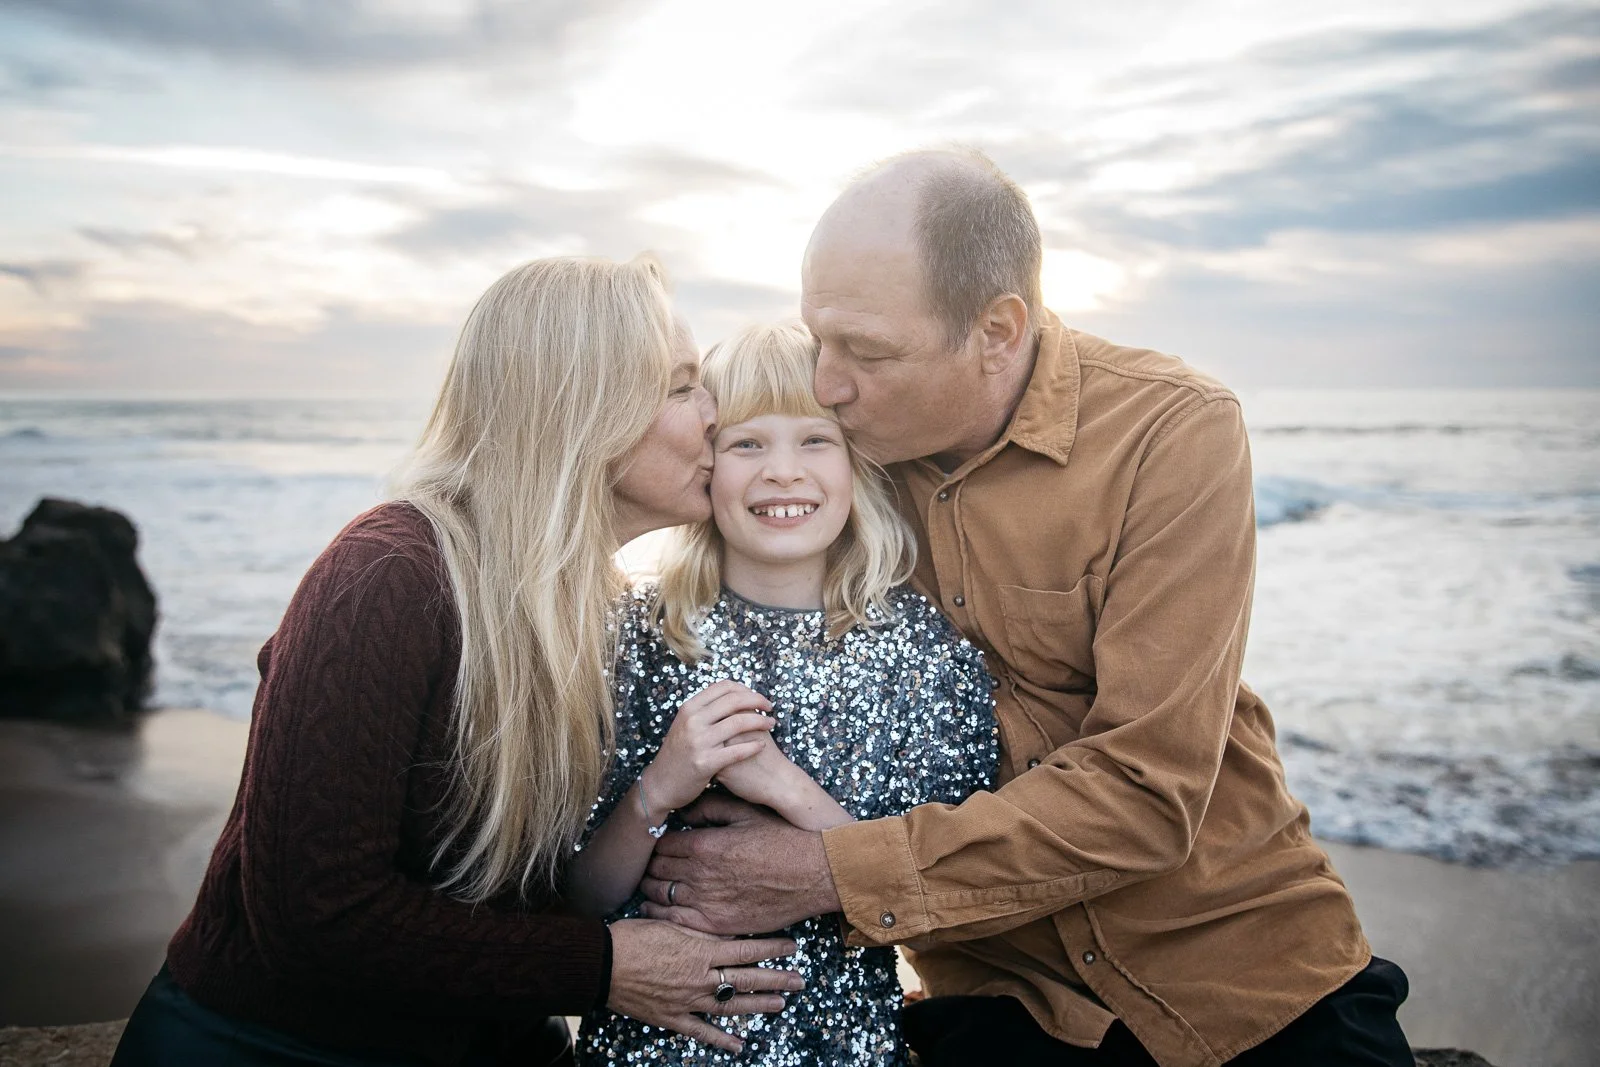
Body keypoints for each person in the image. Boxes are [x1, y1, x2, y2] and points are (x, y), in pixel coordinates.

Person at [637, 152, 1415, 1066]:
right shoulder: (831, 463)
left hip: (1243, 962)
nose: (831, 384)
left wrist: (827, 875)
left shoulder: (1170, 430)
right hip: (1004, 995)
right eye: (820, 340)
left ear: (998, 331)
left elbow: (1145, 790)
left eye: (869, 353)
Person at [110, 256, 802, 1067]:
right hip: (271, 1046)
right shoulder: (387, 578)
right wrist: (605, 968)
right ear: (582, 409)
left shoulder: (599, 608)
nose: (715, 415)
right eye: (684, 386)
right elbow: (315, 914)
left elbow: (540, 884)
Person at [563, 322, 998, 1064]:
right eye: (747, 444)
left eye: (815, 440)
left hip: (844, 1048)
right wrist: (658, 788)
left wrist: (787, 789)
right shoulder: (634, 636)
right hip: (651, 1048)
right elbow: (581, 901)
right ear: (706, 464)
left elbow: (943, 917)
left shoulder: (927, 654)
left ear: (859, 465)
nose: (783, 472)